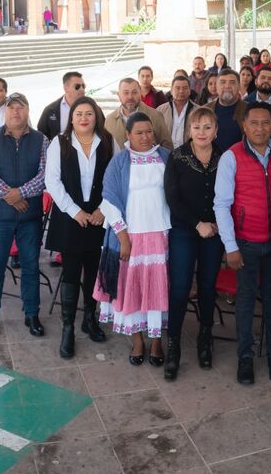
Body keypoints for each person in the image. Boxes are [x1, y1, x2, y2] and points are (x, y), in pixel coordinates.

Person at [215, 102, 271, 385]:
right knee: (245, 303)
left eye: (266, 123)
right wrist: (230, 246)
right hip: (244, 243)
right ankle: (244, 357)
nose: (260, 128)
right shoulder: (231, 157)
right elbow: (221, 204)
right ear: (244, 126)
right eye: (254, 123)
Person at [95, 112, 172, 367]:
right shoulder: (119, 162)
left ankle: (157, 341)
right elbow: (109, 200)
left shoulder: (165, 158)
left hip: (161, 235)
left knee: (158, 291)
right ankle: (138, 341)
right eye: (139, 132)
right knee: (134, 291)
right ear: (128, 135)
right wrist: (123, 238)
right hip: (131, 236)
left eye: (149, 131)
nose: (145, 137)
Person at [45, 96, 112, 357]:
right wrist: (75, 212)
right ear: (71, 118)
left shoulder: (107, 141)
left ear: (96, 116)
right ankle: (68, 328)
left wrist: (102, 210)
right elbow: (53, 181)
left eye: (89, 113)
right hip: (70, 217)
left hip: (97, 217)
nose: (84, 118)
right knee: (71, 273)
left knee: (95, 272)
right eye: (79, 114)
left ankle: (90, 319)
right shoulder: (58, 143)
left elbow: (114, 180)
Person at [0, 93, 48, 338]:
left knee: (30, 265)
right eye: (11, 108)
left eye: (21, 107)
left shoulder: (41, 140)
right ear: (5, 112)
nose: (16, 112)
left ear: (28, 111)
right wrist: (10, 195)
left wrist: (21, 193)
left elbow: (44, 175)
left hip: (30, 217)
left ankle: (32, 314)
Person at [162, 107, 223, 380]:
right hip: (185, 230)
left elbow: (230, 194)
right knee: (181, 287)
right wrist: (197, 223)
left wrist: (220, 223)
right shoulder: (177, 157)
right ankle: (173, 344)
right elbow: (172, 198)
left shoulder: (225, 157)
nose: (202, 132)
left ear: (215, 131)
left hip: (215, 231)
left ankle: (205, 338)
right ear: (189, 130)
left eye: (207, 127)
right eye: (197, 127)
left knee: (208, 287)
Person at [105, 78, 172, 150]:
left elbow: (167, 147)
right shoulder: (110, 120)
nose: (130, 97)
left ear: (140, 93)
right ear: (119, 95)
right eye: (126, 93)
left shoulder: (155, 116)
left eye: (134, 92)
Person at [202, 68, 248, 153]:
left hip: (239, 161)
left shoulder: (249, 110)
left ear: (239, 86)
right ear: (216, 86)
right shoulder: (204, 110)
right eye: (223, 82)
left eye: (232, 82)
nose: (227, 86)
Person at [37, 72, 85, 140]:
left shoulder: (94, 109)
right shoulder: (50, 110)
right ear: (66, 88)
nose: (82, 89)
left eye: (83, 86)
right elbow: (42, 137)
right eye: (77, 86)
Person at [157, 75, 199, 149]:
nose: (181, 91)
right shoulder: (161, 110)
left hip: (189, 152)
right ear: (171, 90)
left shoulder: (198, 111)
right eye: (177, 88)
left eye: (185, 88)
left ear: (190, 90)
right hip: (166, 151)